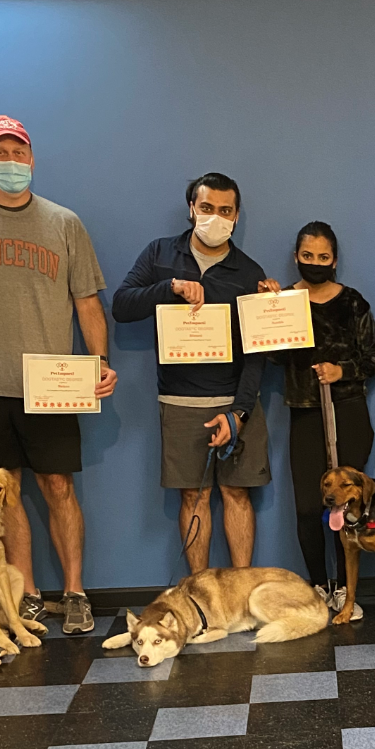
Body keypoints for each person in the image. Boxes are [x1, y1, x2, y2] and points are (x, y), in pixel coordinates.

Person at [0, 115, 117, 635]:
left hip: (51, 386)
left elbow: (88, 304)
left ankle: (75, 592)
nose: (11, 163)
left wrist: (100, 363)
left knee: (58, 486)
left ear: (32, 159)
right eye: (0, 153)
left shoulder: (64, 223)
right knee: (3, 490)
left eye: (19, 153)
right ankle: (28, 594)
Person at [112, 172, 270, 574]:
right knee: (193, 497)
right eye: (206, 208)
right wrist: (170, 288)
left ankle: (242, 590)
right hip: (179, 401)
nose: (215, 217)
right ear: (191, 209)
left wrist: (240, 412)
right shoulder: (160, 254)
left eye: (225, 211)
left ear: (236, 216)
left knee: (237, 494)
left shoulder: (249, 272)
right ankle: (200, 590)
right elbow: (122, 305)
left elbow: (258, 355)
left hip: (236, 400)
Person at [264, 221, 375, 618]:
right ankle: (319, 586)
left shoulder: (352, 302)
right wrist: (267, 308)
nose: (314, 263)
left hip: (348, 412)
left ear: (334, 260)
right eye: (307, 256)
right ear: (296, 258)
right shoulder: (282, 299)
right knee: (307, 507)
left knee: (346, 508)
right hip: (304, 412)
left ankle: (348, 593)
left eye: (323, 257)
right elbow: (272, 355)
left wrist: (341, 371)